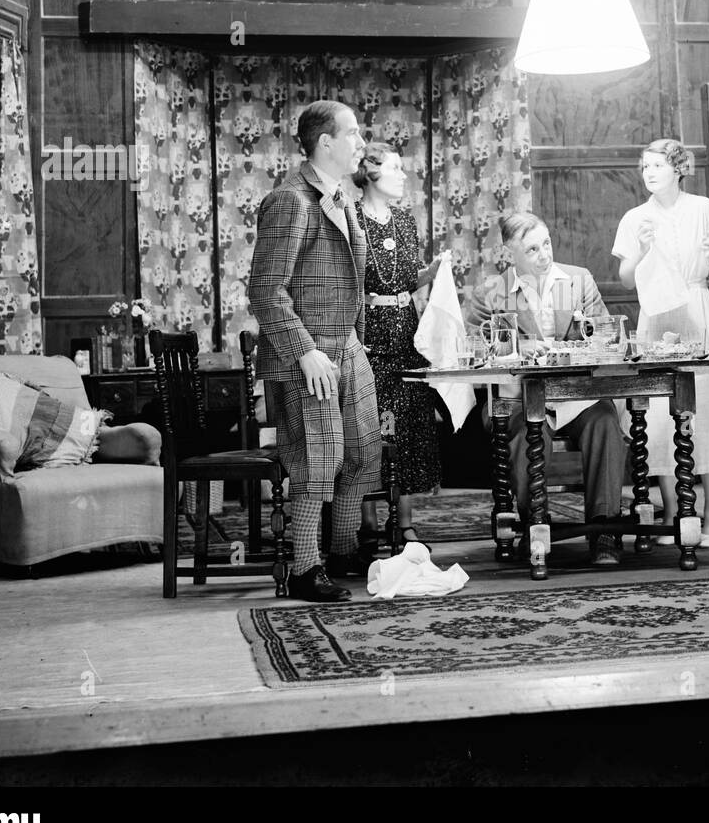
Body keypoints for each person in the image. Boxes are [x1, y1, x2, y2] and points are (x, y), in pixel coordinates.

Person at [248, 100, 382, 602]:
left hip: (346, 348)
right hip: (307, 359)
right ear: (325, 142)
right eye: (352, 134)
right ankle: (305, 567)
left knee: (361, 453)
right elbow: (265, 289)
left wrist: (356, 346)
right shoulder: (290, 201)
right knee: (316, 460)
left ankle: (343, 550)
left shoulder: (341, 196)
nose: (360, 144)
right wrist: (304, 352)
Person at [464, 212, 629, 567]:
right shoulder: (490, 293)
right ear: (511, 254)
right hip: (518, 398)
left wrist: (587, 335)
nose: (544, 254)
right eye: (532, 249)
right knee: (525, 431)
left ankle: (604, 528)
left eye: (547, 243)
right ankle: (536, 522)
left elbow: (606, 335)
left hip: (575, 396)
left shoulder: (578, 280)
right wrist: (516, 349)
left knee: (604, 418)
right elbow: (471, 349)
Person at [612, 138, 709, 546]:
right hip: (655, 313)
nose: (649, 173)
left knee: (708, 408)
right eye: (645, 167)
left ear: (678, 168)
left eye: (657, 165)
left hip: (697, 308)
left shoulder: (703, 208)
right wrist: (643, 250)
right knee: (656, 415)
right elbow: (624, 278)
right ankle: (672, 508)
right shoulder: (635, 217)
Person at [351, 141, 449, 554]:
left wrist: (434, 271)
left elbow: (409, 279)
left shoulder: (406, 220)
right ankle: (367, 520)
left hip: (407, 330)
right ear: (372, 174)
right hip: (370, 332)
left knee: (408, 423)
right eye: (396, 168)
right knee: (374, 423)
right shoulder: (351, 218)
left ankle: (404, 522)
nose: (404, 175)